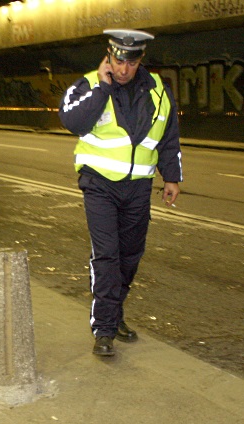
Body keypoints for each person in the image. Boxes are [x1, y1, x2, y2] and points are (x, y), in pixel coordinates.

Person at [58, 29, 183, 356]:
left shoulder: (158, 91)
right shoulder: (88, 83)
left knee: (130, 256)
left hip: (139, 186)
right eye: (118, 61)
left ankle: (116, 313)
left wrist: (171, 176)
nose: (123, 69)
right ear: (109, 56)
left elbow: (168, 137)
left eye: (131, 62)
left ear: (140, 60)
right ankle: (104, 328)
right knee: (108, 255)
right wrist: (103, 86)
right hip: (99, 184)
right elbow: (73, 121)